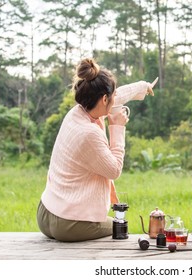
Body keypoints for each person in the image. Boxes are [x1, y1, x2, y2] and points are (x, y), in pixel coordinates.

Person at [37, 58, 157, 242]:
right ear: (103, 99)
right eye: (112, 96)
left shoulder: (77, 113)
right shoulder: (90, 133)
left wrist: (143, 87)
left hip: (45, 213)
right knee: (121, 226)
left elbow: (115, 96)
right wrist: (117, 128)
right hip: (69, 224)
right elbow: (114, 170)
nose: (116, 98)